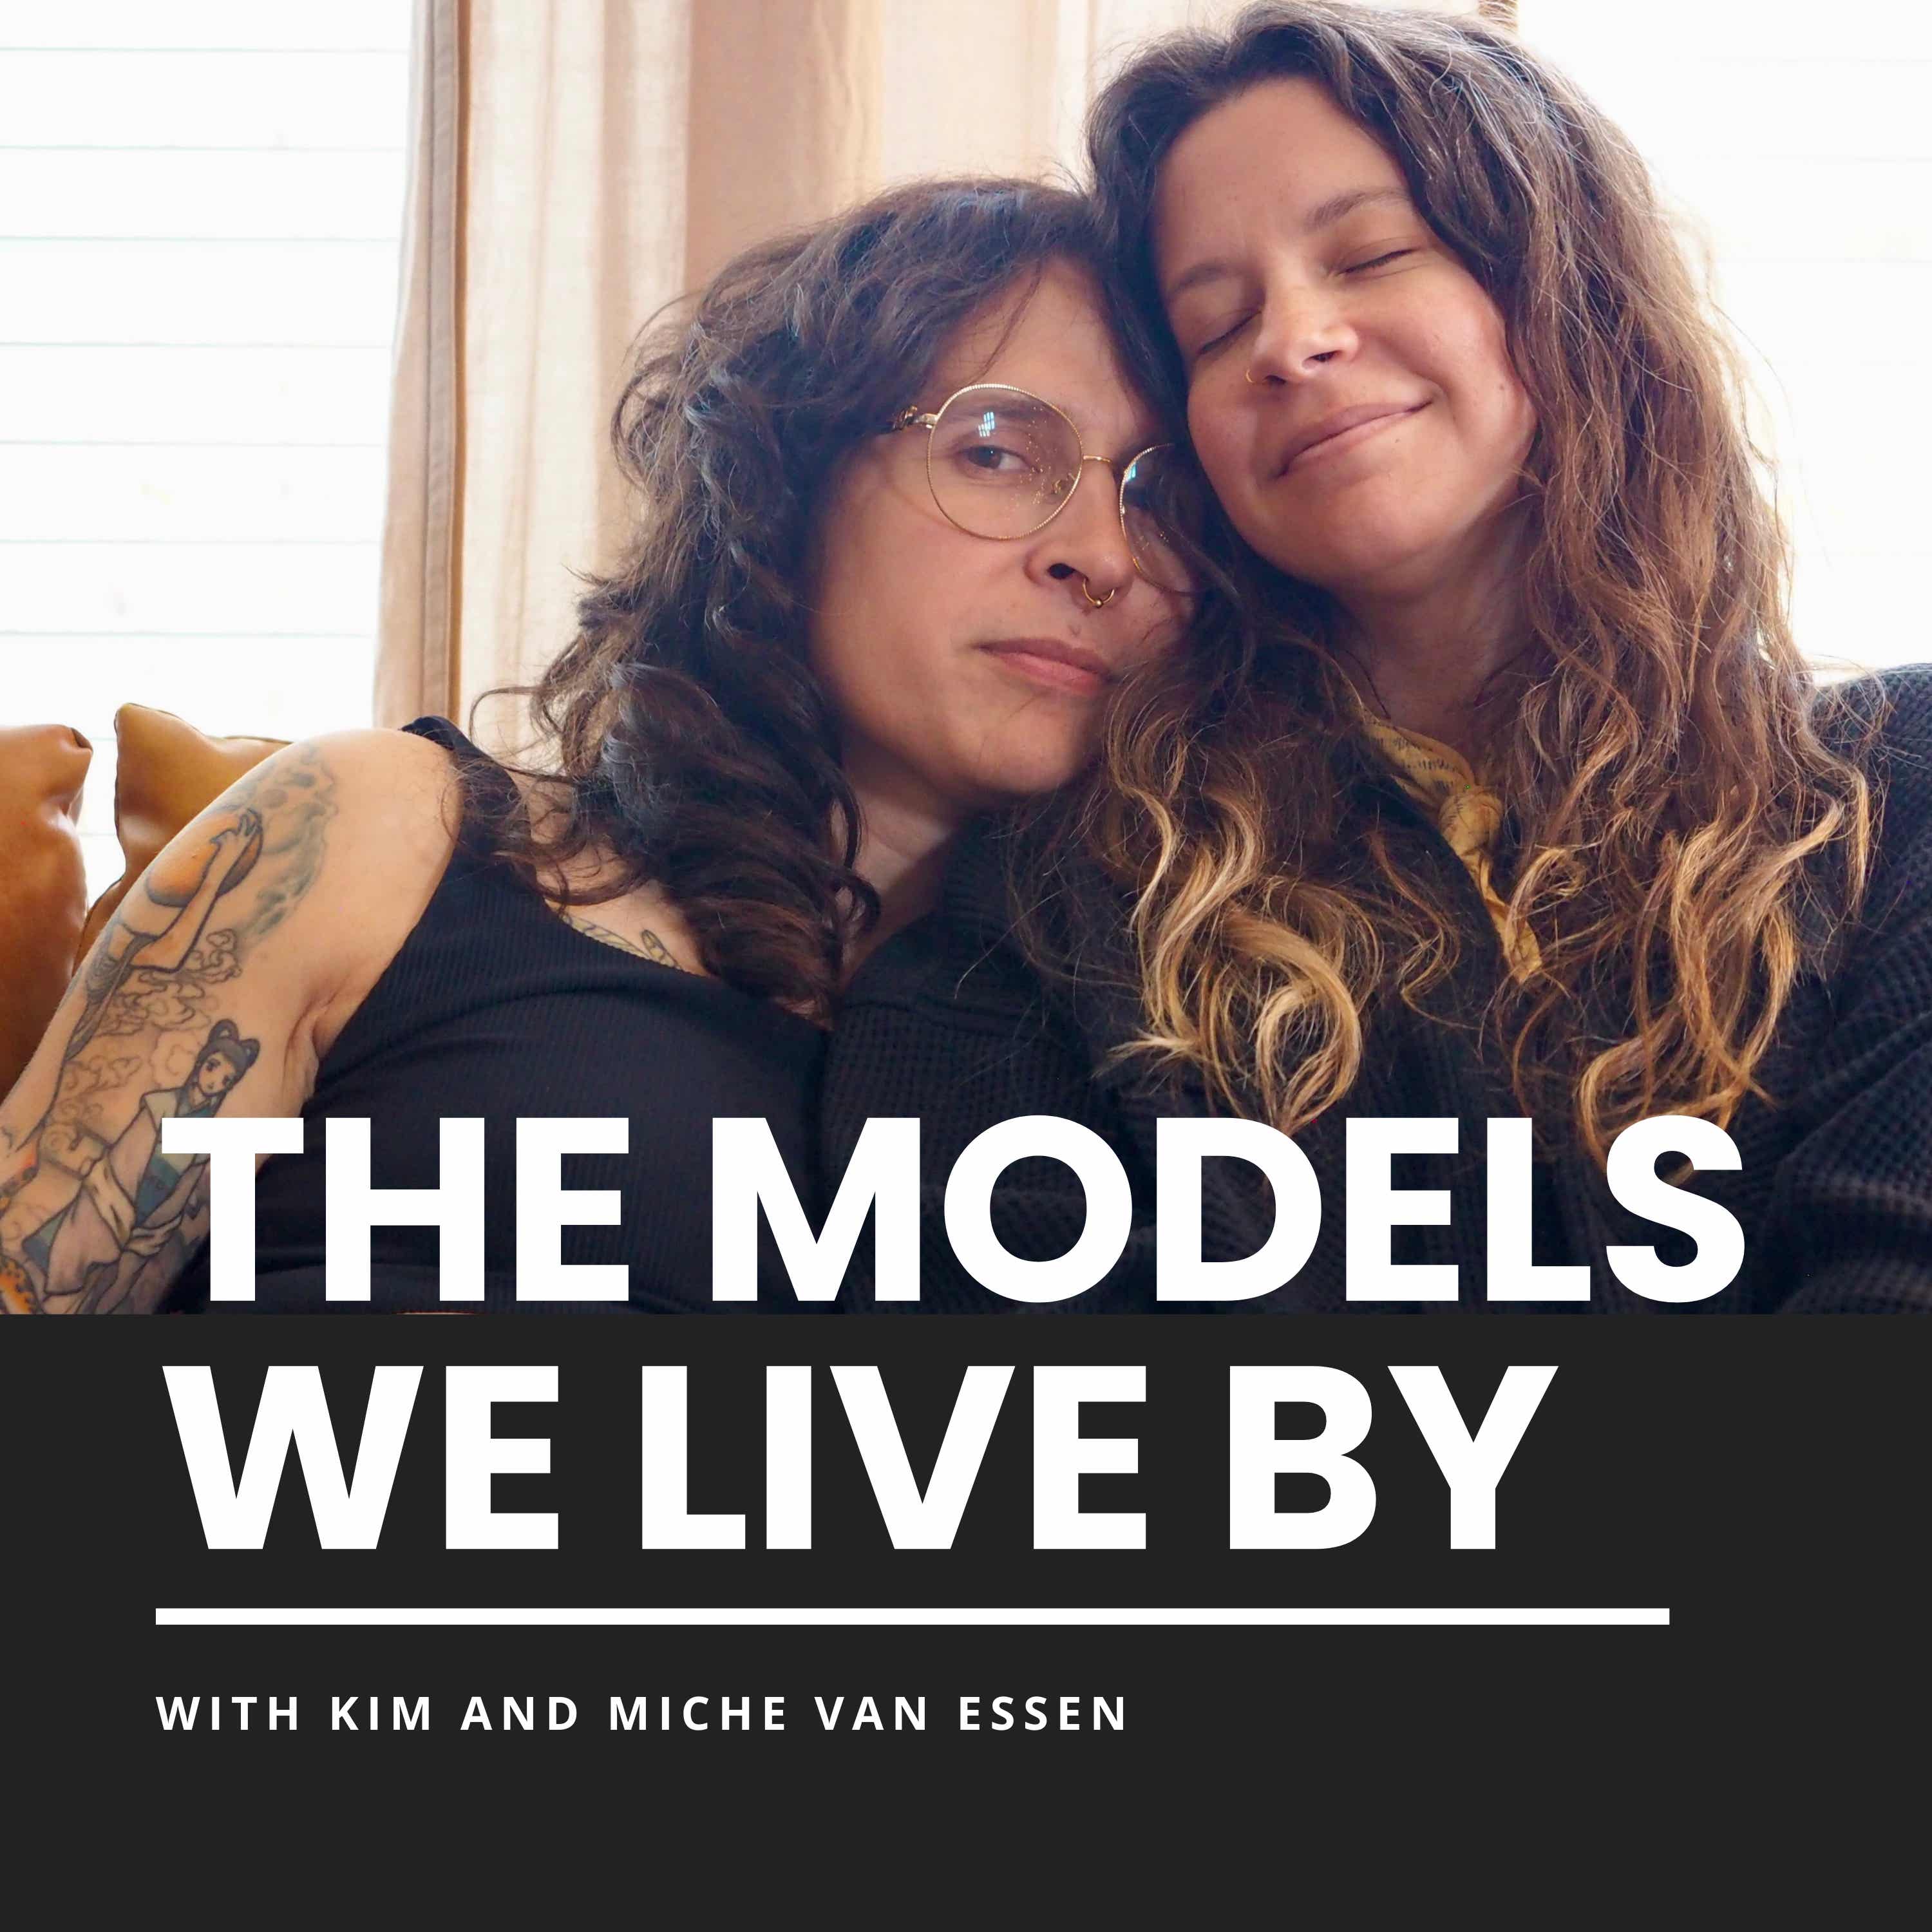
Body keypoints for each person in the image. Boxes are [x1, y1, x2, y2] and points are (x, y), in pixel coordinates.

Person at [821, 2, 1932, 1311]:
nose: (1291, 342)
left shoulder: (1890, 800)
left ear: (1565, 286)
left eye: (1372, 254)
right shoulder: (1047, 918)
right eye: (1216, 327)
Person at [0, 178, 1198, 1313]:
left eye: (1162, 498)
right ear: (788, 484)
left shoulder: (1167, 1067)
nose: (1102, 553)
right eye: (996, 450)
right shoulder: (385, 833)